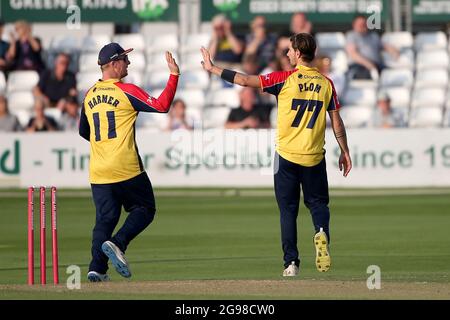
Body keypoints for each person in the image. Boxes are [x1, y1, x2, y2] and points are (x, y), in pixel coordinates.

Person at [201, 33, 352, 276]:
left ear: (299, 53)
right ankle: (321, 231)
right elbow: (337, 121)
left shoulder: (284, 79)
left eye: (290, 50)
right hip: (314, 156)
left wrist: (213, 68)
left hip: (286, 157)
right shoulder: (326, 83)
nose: (287, 54)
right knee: (318, 204)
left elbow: (244, 80)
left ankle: (291, 264)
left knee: (288, 211)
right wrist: (344, 150)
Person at [79, 43, 179, 282]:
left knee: (104, 219)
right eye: (124, 59)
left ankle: (97, 269)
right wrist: (174, 75)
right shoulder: (126, 91)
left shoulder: (89, 94)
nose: (128, 63)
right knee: (145, 209)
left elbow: (85, 131)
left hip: (99, 170)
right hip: (126, 166)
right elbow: (162, 105)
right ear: (113, 64)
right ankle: (118, 243)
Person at [346, 15, 399, 80]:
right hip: (359, 67)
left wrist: (395, 52)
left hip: (377, 65)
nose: (362, 26)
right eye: (360, 24)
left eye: (364, 24)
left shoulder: (373, 36)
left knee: (394, 75)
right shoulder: (352, 36)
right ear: (354, 25)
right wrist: (370, 65)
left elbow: (385, 46)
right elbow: (353, 54)